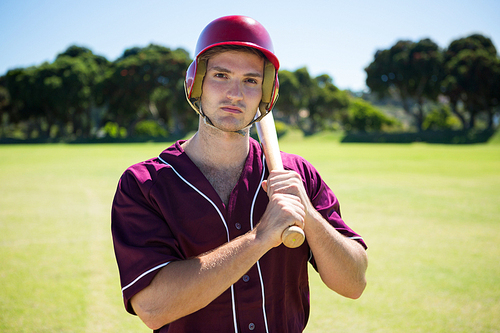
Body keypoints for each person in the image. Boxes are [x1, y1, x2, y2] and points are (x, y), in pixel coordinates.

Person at [112, 15, 368, 333]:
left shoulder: (297, 175)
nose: (235, 93)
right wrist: (260, 238)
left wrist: (309, 217)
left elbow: (354, 282)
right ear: (196, 83)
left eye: (250, 80)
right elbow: (153, 307)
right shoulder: (144, 185)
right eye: (221, 75)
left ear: (266, 93)